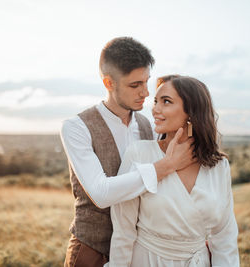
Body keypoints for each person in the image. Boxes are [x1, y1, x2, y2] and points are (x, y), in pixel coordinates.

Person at [60, 38, 195, 267]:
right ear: (108, 83)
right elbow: (101, 194)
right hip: (92, 250)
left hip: (139, 251)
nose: (145, 92)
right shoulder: (76, 127)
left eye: (146, 82)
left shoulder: (150, 127)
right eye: (135, 85)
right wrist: (165, 166)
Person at [109, 75, 240, 267]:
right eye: (155, 101)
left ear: (191, 112)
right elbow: (123, 231)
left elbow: (225, 237)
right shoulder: (140, 153)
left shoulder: (218, 166)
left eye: (166, 102)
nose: (155, 109)